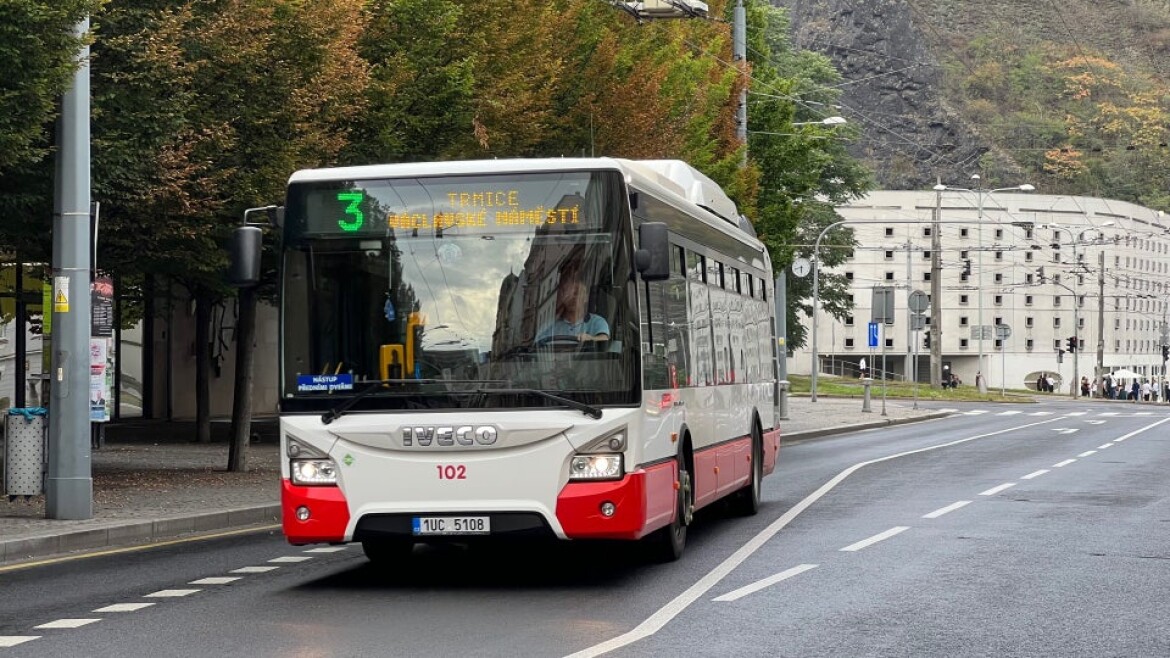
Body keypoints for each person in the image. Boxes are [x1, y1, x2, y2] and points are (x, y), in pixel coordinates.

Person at [536, 259, 609, 345]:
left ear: (586, 296)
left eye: (577, 292)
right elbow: (535, 351)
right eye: (569, 293)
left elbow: (604, 340)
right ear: (563, 297)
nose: (573, 297)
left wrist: (592, 338)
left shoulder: (597, 322)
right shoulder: (548, 328)